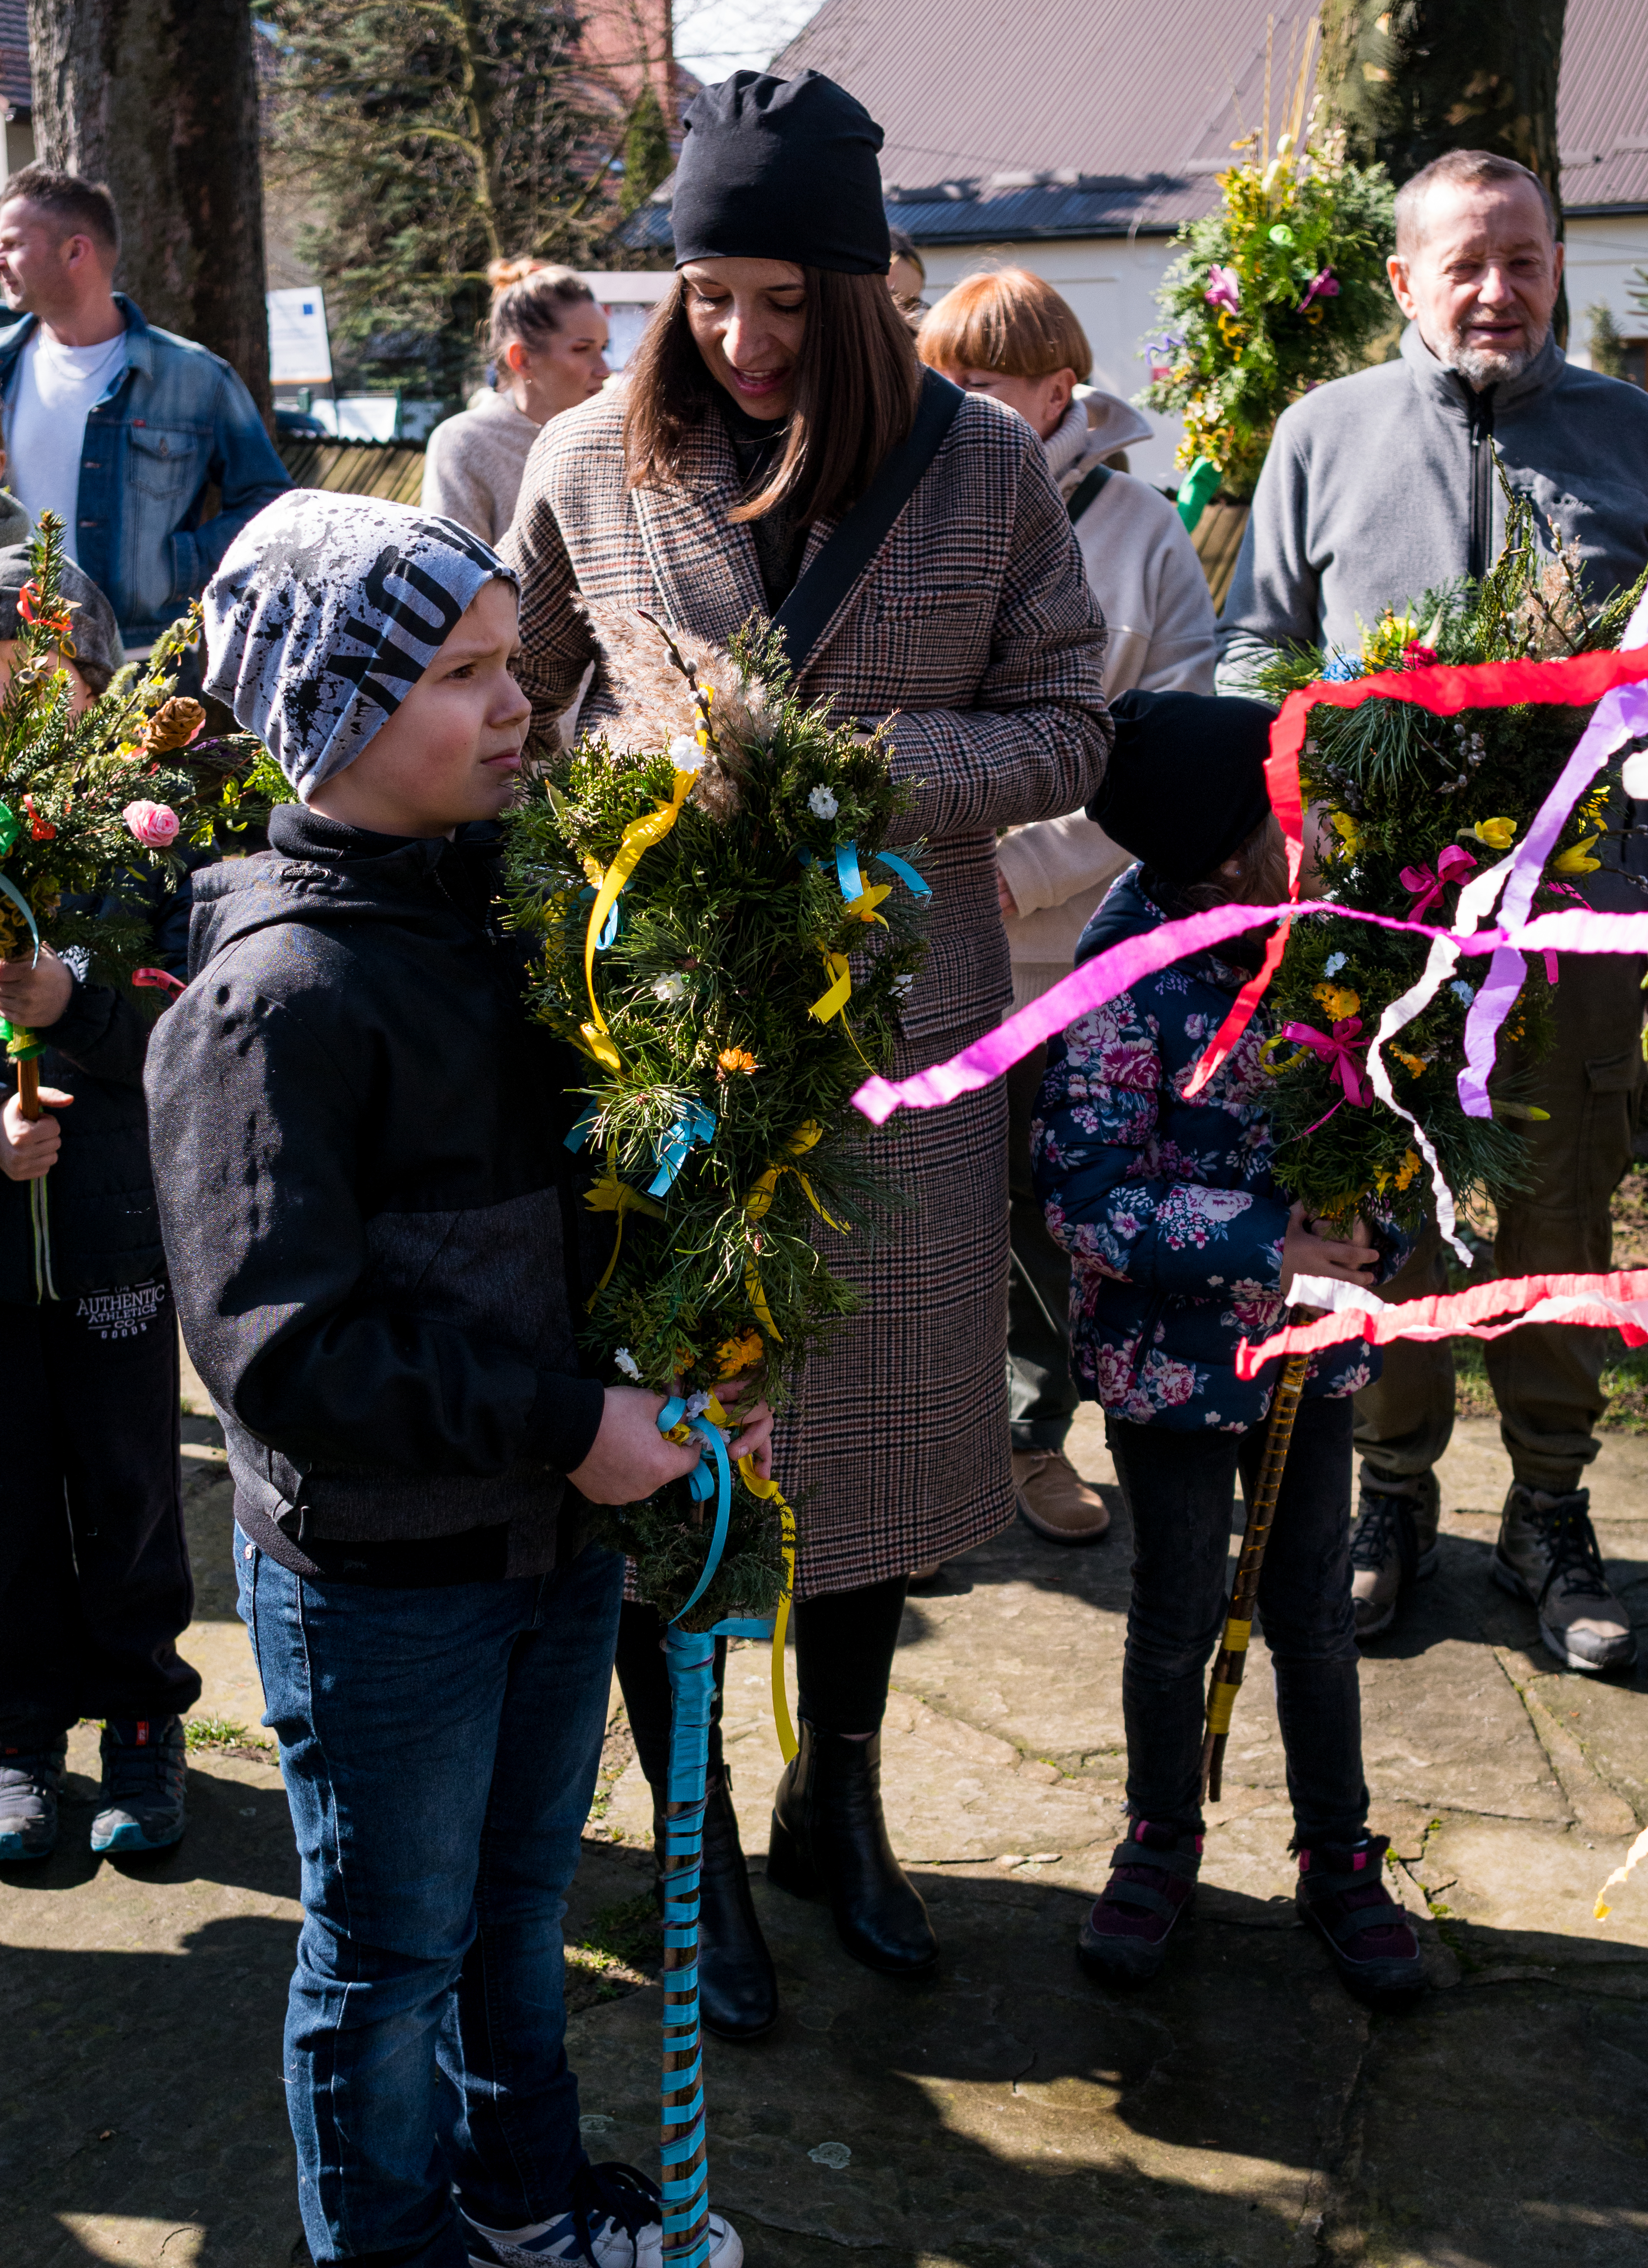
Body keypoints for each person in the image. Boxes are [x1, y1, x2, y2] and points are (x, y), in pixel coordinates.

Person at [503, 69, 1108, 2032]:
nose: (741, 343)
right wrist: (638, 778)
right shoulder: (591, 458)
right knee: (676, 1450)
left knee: (869, 1446)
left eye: (782, 301)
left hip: (897, 1052)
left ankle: (833, 1803)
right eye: (707, 298)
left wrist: (862, 775)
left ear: (856, 291)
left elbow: (1067, 726)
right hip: (665, 1038)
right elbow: (515, 716)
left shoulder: (985, 476)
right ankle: (690, 1844)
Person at [145, 493, 764, 2268]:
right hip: (389, 1589)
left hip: (545, 1555)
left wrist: (692, 1358)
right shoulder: (281, 1000)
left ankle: (517, 2203)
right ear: (337, 716)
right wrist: (573, 1426)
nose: (520, 706)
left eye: (516, 666)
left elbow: (590, 1221)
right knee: (390, 1954)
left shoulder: (521, 925)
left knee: (516, 1914)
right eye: (467, 674)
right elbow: (283, 1351)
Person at [1217, 148, 1648, 1666]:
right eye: (1465, 263)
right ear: (1405, 278)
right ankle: (1393, 1495)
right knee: (1387, 1199)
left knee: (1559, 1205)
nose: (1498, 290)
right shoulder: (1325, 433)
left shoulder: (1638, 441)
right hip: (1380, 932)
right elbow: (1253, 653)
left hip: (1576, 923)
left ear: (1561, 270)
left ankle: (1551, 1508)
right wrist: (1300, 797)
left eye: (1526, 260)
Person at [1032, 688, 1424, 2006]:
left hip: (1310, 1363)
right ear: (1219, 846)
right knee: (1177, 1607)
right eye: (1282, 802)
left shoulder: (1327, 942)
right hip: (1172, 1365)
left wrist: (1376, 1238)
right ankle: (1161, 1834)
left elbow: (1402, 1127)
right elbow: (1082, 1191)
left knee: (1314, 1604)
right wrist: (1268, 1239)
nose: (1308, 818)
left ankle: (1338, 1850)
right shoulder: (1128, 977)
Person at [918, 266, 1217, 1546]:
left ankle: (1033, 1438)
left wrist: (1024, 867)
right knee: (923, 1205)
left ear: (1058, 392)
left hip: (1061, 957)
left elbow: (1175, 749)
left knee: (1044, 1204)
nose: (950, 408)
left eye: (976, 388)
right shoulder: (908, 512)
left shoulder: (1144, 536)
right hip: (910, 938)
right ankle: (924, 1452)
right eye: (935, 384)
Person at [0, 553, 206, 1864]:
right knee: (7, 1487)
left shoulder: (150, 837)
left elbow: (192, 1020)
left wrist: (72, 1010)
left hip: (117, 1223)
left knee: (129, 1481)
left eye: (51, 672)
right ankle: (19, 1729)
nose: (30, 693)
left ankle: (142, 1713)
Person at [0, 165, 290, 652]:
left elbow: (271, 504)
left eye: (11, 245)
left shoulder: (196, 377)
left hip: (146, 664)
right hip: (15, 656)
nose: (0, 260)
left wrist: (181, 566)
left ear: (75, 251)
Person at [422, 258, 611, 543]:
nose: (604, 369)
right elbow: (455, 577)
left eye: (604, 348)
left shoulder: (615, 436)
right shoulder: (465, 441)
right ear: (522, 359)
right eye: (582, 349)